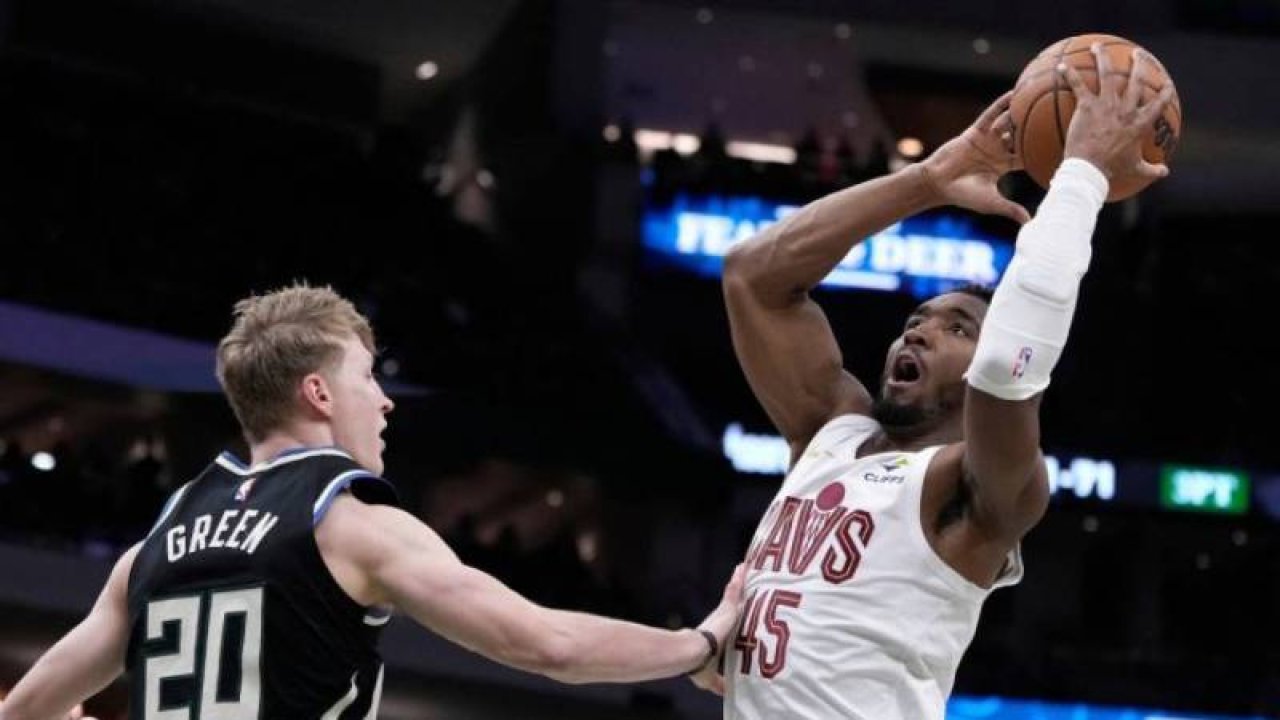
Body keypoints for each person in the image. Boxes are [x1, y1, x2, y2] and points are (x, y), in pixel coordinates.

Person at [0, 284, 745, 719]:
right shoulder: (348, 524)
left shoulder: (153, 546)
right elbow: (548, 645)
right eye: (366, 377)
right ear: (319, 393)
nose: (385, 401)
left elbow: (25, 710)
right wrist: (697, 646)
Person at [715, 46, 1173, 718]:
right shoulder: (831, 431)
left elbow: (1007, 367)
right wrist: (928, 179)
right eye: (915, 322)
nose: (919, 333)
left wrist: (1082, 177)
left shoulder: (979, 490)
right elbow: (752, 277)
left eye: (957, 328)